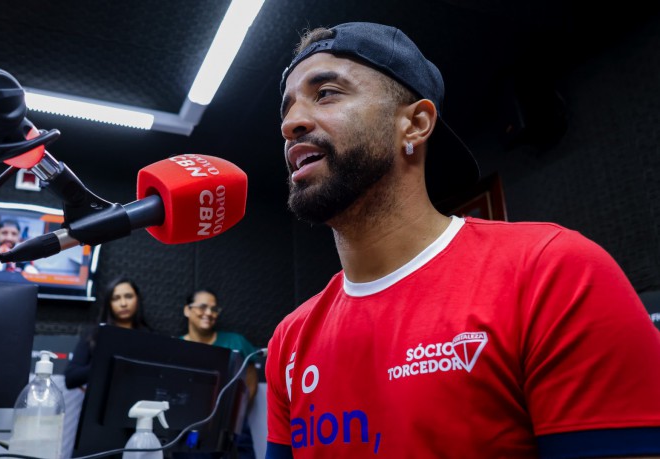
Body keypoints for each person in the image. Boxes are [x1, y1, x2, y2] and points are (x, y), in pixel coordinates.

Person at [265, 22, 660, 458]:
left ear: (415, 123)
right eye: (287, 108)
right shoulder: (290, 339)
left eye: (326, 93)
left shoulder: (554, 273)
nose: (292, 123)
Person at [181, 289, 258, 459]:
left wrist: (237, 411)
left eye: (214, 309)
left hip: (231, 423)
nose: (209, 313)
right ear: (187, 310)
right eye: (202, 307)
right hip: (191, 425)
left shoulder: (236, 341)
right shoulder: (177, 346)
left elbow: (250, 381)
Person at [64, 276, 152, 389]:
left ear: (137, 299)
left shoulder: (149, 337)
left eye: (128, 296)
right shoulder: (94, 335)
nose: (123, 303)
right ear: (108, 303)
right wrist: (104, 364)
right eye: (116, 298)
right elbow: (71, 378)